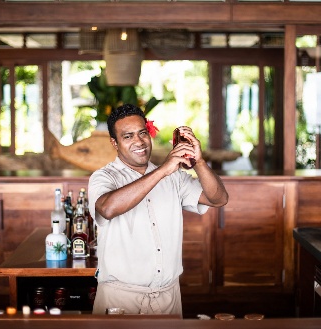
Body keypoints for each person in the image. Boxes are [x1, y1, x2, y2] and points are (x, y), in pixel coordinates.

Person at [87, 103, 228, 316]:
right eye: (128, 136)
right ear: (114, 143)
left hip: (168, 299)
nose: (139, 141)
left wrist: (197, 161)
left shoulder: (174, 177)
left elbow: (218, 199)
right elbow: (107, 208)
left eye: (142, 133)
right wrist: (163, 170)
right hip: (119, 300)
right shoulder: (104, 177)